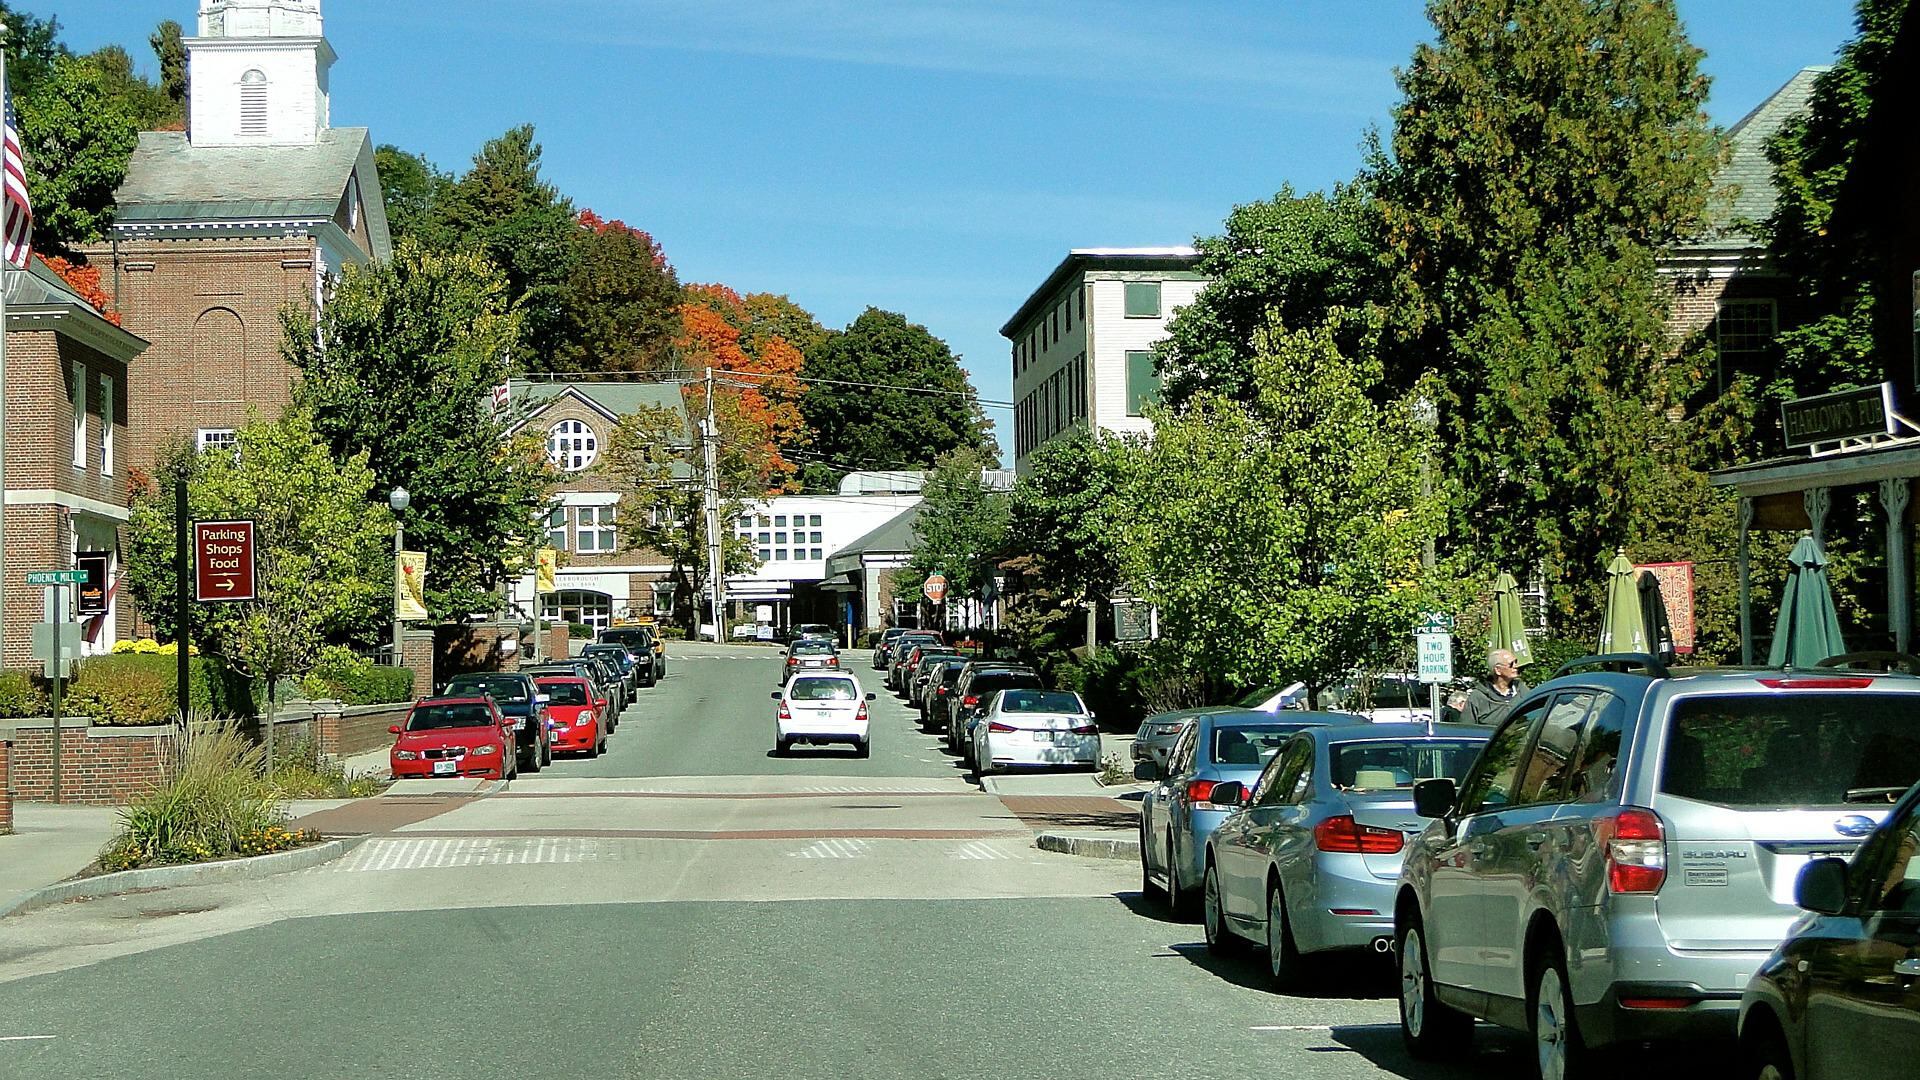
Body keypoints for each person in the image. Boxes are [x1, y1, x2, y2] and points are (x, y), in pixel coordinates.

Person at [1462, 649, 1529, 727]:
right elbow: (1466, 728)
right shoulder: (1477, 697)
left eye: (1516, 662)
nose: (1516, 666)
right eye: (1511, 664)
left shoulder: (1523, 691)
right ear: (1497, 670)